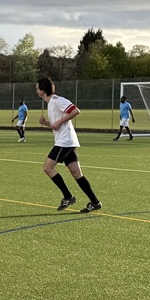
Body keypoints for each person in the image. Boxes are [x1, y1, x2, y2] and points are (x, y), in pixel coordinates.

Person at [36, 77, 102, 213]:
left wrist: (59, 122)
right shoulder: (51, 103)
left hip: (65, 142)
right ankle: (95, 202)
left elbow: (75, 110)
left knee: (47, 168)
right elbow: (56, 126)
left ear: (43, 90)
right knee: (77, 173)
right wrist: (47, 123)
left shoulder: (57, 100)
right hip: (66, 141)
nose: (36, 91)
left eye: (37, 88)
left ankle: (68, 197)